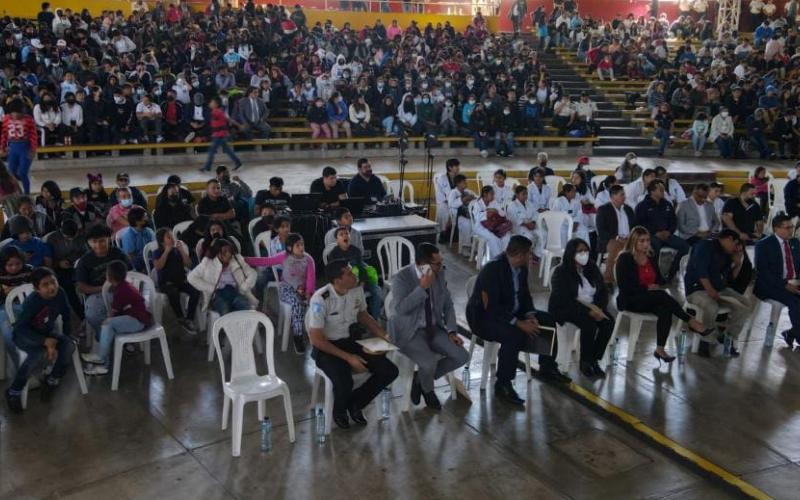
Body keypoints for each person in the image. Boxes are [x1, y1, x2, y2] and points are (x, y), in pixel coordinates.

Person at [466, 236, 571, 407]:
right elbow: (492, 307)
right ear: (520, 254)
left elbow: (524, 294)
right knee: (513, 334)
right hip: (486, 318)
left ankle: (547, 366)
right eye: (529, 253)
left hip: (512, 311)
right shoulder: (493, 269)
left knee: (548, 320)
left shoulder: (521, 269)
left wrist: (530, 315)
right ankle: (503, 383)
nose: (531, 256)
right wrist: (519, 323)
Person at [308, 259, 399, 429]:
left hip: (350, 341)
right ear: (337, 281)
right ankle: (340, 411)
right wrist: (349, 358)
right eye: (349, 273)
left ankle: (356, 403)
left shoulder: (356, 290)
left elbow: (363, 316)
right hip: (326, 348)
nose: (354, 275)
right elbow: (316, 339)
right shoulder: (320, 299)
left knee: (389, 371)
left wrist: (384, 335)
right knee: (344, 380)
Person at [388, 243, 468, 409]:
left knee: (461, 356)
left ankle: (421, 380)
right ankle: (429, 391)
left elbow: (448, 304)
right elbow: (400, 309)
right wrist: (422, 287)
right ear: (422, 265)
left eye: (441, 262)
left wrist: (452, 330)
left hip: (433, 327)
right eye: (437, 264)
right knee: (429, 361)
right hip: (409, 332)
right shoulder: (402, 278)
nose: (441, 267)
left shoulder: (439, 274)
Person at [616, 226, 712, 363]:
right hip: (631, 299)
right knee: (661, 296)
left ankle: (660, 349)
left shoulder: (650, 256)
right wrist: (647, 287)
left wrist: (658, 279)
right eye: (641, 241)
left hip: (649, 298)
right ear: (633, 242)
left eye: (647, 240)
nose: (645, 244)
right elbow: (625, 287)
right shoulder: (625, 258)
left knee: (665, 309)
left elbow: (660, 280)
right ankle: (691, 321)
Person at [5, 267, 74, 413]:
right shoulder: (32, 302)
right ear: (37, 289)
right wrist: (44, 341)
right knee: (36, 355)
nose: (51, 287)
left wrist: (66, 335)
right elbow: (20, 329)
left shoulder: (60, 293)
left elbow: (66, 315)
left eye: (53, 282)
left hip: (47, 333)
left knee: (68, 345)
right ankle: (14, 391)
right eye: (45, 284)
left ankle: (52, 380)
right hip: (26, 336)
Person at [684, 230, 756, 358]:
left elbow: (730, 279)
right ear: (728, 239)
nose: (736, 248)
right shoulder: (705, 246)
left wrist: (737, 263)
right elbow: (701, 271)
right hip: (698, 289)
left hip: (720, 289)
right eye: (735, 244)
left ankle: (728, 337)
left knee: (746, 305)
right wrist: (710, 290)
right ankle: (705, 342)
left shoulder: (727, 253)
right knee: (711, 306)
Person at [549, 238, 613, 378]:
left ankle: (594, 359)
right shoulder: (561, 272)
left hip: (593, 306)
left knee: (608, 322)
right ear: (571, 253)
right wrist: (588, 311)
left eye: (586, 251)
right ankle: (585, 362)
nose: (584, 254)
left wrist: (599, 308)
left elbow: (602, 290)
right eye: (579, 251)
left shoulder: (591, 267)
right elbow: (564, 299)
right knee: (589, 324)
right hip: (568, 308)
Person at [80, 259, 154, 376]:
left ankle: (101, 357)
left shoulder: (121, 291)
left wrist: (109, 319)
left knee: (107, 324)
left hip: (138, 321)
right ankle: (103, 366)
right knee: (108, 326)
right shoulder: (124, 286)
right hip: (136, 319)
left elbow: (114, 313)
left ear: (109, 277)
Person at [246, 233, 316, 354]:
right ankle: (297, 336)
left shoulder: (308, 259)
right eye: (298, 245)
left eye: (302, 244)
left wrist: (309, 293)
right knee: (297, 303)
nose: (301, 247)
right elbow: (266, 261)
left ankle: (315, 335)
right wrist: (246, 260)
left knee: (316, 303)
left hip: (302, 289)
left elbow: (311, 279)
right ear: (289, 248)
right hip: (286, 289)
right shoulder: (284, 256)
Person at [76, 224, 132, 337]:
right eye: (94, 242)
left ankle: (123, 337)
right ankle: (103, 337)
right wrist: (103, 289)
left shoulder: (119, 254)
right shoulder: (85, 261)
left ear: (109, 239)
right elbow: (81, 287)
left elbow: (132, 274)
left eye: (102, 241)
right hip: (97, 294)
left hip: (121, 291)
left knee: (133, 308)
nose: (98, 245)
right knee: (92, 314)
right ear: (89, 243)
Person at [755, 215, 800, 348]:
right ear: (776, 228)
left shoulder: (795, 243)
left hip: (794, 282)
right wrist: (785, 285)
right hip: (771, 285)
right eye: (787, 228)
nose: (791, 230)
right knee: (795, 302)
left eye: (792, 227)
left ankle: (792, 333)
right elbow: (763, 272)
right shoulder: (763, 245)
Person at [188, 237, 257, 315]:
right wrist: (210, 287)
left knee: (246, 308)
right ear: (218, 253)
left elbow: (253, 273)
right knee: (225, 311)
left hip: (235, 291)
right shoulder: (208, 263)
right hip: (217, 294)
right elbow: (191, 277)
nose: (229, 254)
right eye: (225, 251)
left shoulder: (237, 260)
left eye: (230, 251)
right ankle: (227, 327)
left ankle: (249, 327)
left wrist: (245, 286)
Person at [635, 179, 688, 281]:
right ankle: (657, 275)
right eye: (660, 189)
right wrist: (654, 232)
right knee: (652, 249)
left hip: (667, 235)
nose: (663, 191)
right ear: (652, 191)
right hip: (652, 236)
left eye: (664, 189)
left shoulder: (667, 204)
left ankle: (671, 273)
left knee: (685, 246)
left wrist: (669, 231)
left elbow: (673, 221)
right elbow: (640, 224)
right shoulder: (642, 206)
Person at [326, 226, 382, 319]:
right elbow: (335, 273)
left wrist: (363, 281)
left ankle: (374, 318)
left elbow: (361, 267)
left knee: (377, 291)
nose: (345, 236)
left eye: (347, 233)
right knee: (353, 297)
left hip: (359, 278)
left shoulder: (356, 251)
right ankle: (353, 320)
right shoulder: (334, 254)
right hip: (345, 281)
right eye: (341, 234)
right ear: (337, 240)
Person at [151, 228, 199, 334]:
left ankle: (189, 318)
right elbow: (158, 266)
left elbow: (189, 265)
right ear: (162, 241)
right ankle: (181, 318)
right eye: (168, 237)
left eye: (172, 236)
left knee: (195, 291)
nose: (172, 239)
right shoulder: (157, 252)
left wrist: (181, 251)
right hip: (166, 283)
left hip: (181, 281)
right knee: (173, 292)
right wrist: (166, 251)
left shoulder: (177, 251)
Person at [0, 246, 34, 376]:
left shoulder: (29, 270)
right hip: (4, 309)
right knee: (10, 334)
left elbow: (38, 287)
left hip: (27, 307)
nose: (14, 267)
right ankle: (21, 367)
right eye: (10, 265)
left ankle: (40, 364)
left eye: (18, 264)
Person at [44, 219, 86, 320]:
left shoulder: (81, 237)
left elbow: (86, 253)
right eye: (68, 237)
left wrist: (78, 260)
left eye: (73, 237)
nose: (71, 239)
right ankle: (82, 315)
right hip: (60, 268)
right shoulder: (52, 239)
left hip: (78, 265)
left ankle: (90, 306)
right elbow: (48, 262)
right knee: (67, 286)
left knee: (88, 279)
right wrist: (59, 263)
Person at [596, 185, 635, 284]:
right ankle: (608, 278)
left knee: (646, 245)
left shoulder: (628, 210)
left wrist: (632, 237)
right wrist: (617, 237)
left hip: (629, 239)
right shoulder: (603, 210)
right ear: (613, 196)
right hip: (610, 240)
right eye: (621, 195)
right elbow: (601, 231)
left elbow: (635, 226)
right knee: (616, 245)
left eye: (624, 194)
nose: (624, 197)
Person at [0, 98, 37, 194]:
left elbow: (33, 135)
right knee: (10, 172)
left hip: (25, 147)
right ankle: (13, 192)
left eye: (18, 113)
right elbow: (4, 134)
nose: (16, 115)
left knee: (23, 173)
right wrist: (2, 147)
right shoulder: (6, 119)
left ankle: (27, 193)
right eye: (14, 113)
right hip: (12, 147)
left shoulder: (29, 120)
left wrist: (33, 150)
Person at [200, 97, 243, 172]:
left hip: (219, 135)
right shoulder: (219, 111)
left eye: (212, 102)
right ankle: (238, 162)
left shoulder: (216, 112)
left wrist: (239, 125)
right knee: (227, 150)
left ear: (216, 104)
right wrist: (239, 125)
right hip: (220, 134)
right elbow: (228, 119)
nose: (210, 104)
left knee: (211, 151)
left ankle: (207, 167)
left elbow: (227, 119)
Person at [472, 186, 512, 260]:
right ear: (485, 194)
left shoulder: (494, 202)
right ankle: (498, 260)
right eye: (491, 194)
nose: (493, 196)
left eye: (493, 194)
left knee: (506, 236)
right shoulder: (477, 204)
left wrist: (496, 211)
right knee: (493, 238)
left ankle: (505, 257)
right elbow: (477, 217)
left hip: (494, 225)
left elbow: (503, 214)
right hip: (480, 227)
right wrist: (487, 212)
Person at [447, 174, 477, 254]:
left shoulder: (468, 191)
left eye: (465, 182)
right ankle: (465, 247)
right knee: (467, 224)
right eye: (463, 182)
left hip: (469, 215)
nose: (465, 183)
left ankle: (475, 245)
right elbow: (451, 205)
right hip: (458, 216)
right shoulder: (453, 193)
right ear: (458, 184)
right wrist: (464, 200)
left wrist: (474, 198)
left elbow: (477, 199)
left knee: (478, 223)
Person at [119, 207, 155, 273]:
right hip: (139, 265)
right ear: (137, 221)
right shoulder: (128, 236)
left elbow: (155, 245)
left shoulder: (148, 231)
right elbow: (130, 257)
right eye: (145, 217)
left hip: (151, 259)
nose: (147, 219)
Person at [434, 158, 460, 240]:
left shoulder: (459, 178)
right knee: (444, 210)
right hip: (445, 202)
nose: (458, 168)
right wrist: (449, 201)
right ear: (450, 168)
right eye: (456, 166)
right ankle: (444, 232)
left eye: (458, 166)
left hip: (457, 202)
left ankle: (457, 233)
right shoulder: (442, 178)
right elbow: (440, 195)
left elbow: (463, 191)